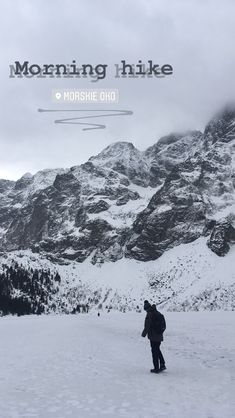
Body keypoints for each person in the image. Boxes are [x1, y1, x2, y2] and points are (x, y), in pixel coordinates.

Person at [141, 300, 166, 373]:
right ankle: (162, 364)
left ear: (146, 308)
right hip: (159, 335)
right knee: (157, 349)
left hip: (153, 336)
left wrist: (143, 334)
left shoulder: (150, 314)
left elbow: (147, 326)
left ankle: (156, 368)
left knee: (154, 351)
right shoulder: (157, 312)